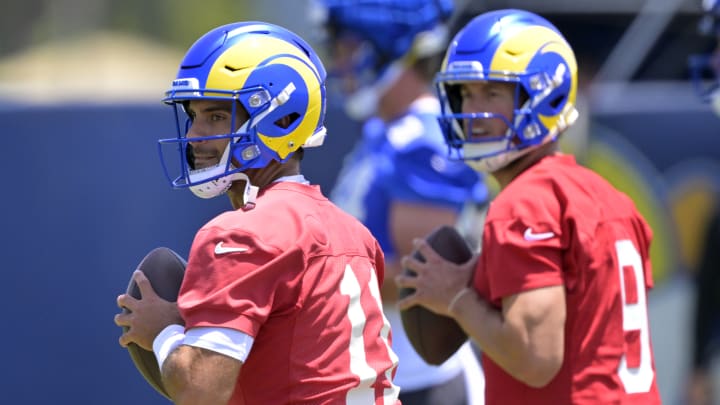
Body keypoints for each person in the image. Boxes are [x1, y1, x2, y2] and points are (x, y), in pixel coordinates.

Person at [113, 21, 401, 404]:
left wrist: (163, 332)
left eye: (216, 117)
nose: (195, 135)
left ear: (283, 120)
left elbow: (201, 390)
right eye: (194, 115)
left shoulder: (240, 233)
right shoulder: (354, 233)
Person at [395, 9, 662, 404]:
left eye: (493, 92)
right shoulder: (608, 197)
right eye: (466, 93)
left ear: (544, 94)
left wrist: (457, 298)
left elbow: (535, 357)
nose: (474, 112)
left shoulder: (523, 203)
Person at [310, 0, 488, 403]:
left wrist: (300, 280)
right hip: (380, 370)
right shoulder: (386, 131)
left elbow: (419, 279)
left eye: (346, 46)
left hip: (418, 376)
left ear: (384, 43)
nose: (338, 61)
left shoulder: (422, 141)